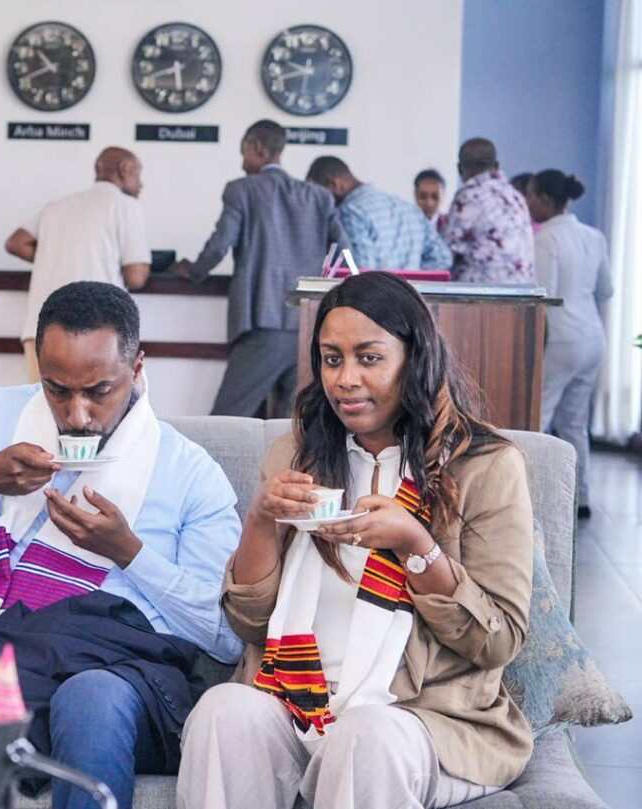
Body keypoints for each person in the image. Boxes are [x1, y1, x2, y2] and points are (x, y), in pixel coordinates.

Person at [178, 271, 534, 809]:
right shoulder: (296, 457)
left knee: (365, 735)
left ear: (416, 359)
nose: (345, 379)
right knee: (222, 710)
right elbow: (249, 625)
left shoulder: (485, 467)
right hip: (295, 703)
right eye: (331, 359)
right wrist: (260, 520)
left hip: (421, 719)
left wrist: (416, 546)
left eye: (369, 358)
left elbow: (498, 641)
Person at [0, 281, 243, 809]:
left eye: (98, 391)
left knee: (90, 700)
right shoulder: (0, 418)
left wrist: (129, 553)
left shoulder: (190, 472)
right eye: (57, 390)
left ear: (137, 367)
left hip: (122, 669)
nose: (76, 416)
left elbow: (226, 639)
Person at [172, 120, 349, 419]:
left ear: (256, 148)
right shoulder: (319, 197)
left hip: (263, 324)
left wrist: (194, 272)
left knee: (226, 419)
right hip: (309, 326)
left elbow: (219, 244)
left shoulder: (242, 189)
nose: (243, 164)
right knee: (290, 426)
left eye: (243, 153)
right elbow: (344, 253)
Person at [5, 147, 151, 382]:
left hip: (42, 330)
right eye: (138, 174)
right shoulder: (126, 206)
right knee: (95, 402)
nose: (141, 183)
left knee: (42, 401)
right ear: (124, 169)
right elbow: (136, 276)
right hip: (98, 334)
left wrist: (55, 255)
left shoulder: (56, 206)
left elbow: (16, 242)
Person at [525, 170, 613, 518]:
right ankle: (580, 497)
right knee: (576, 423)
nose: (528, 202)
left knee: (539, 420)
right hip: (593, 337)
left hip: (562, 339)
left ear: (545, 200)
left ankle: (529, 498)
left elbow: (544, 293)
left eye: (531, 195)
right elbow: (607, 290)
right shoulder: (594, 236)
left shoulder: (547, 237)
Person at [306, 156, 452, 270]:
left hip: (378, 298)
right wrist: (409, 277)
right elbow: (443, 258)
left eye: (317, 194)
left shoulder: (351, 212)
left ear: (335, 184)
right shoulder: (409, 209)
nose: (317, 203)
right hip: (411, 296)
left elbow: (362, 270)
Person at [442, 138, 534, 284]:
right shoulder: (516, 197)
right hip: (522, 290)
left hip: (483, 292)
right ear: (497, 166)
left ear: (459, 169)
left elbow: (447, 256)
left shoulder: (468, 197)